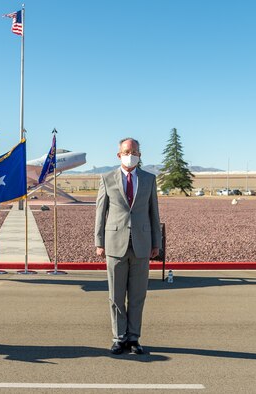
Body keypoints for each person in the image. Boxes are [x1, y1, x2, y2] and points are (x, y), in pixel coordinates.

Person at [94, 138, 161, 355]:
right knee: (116, 296)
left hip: (142, 245)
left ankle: (134, 338)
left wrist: (156, 243)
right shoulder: (106, 178)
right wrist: (99, 241)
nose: (130, 154)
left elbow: (154, 212)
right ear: (118, 154)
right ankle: (119, 337)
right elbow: (100, 213)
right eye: (126, 151)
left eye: (134, 151)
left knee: (137, 295)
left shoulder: (149, 179)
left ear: (140, 155)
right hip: (114, 245)